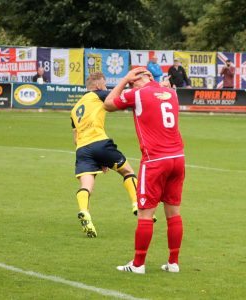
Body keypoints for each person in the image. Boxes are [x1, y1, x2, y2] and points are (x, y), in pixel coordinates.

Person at [104, 67, 185, 274]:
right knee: (173, 213)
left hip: (155, 160)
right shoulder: (172, 94)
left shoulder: (137, 93)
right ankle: (173, 263)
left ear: (137, 80)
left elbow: (108, 104)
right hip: (177, 158)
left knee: (145, 213)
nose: (131, 85)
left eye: (132, 82)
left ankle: (138, 264)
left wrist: (123, 80)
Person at [70, 72, 156, 238]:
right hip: (100, 142)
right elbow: (117, 98)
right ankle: (136, 203)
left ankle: (84, 212)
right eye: (104, 85)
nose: (106, 87)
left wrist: (98, 159)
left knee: (86, 186)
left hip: (82, 149)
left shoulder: (74, 109)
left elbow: (75, 138)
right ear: (97, 86)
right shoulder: (98, 94)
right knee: (128, 172)